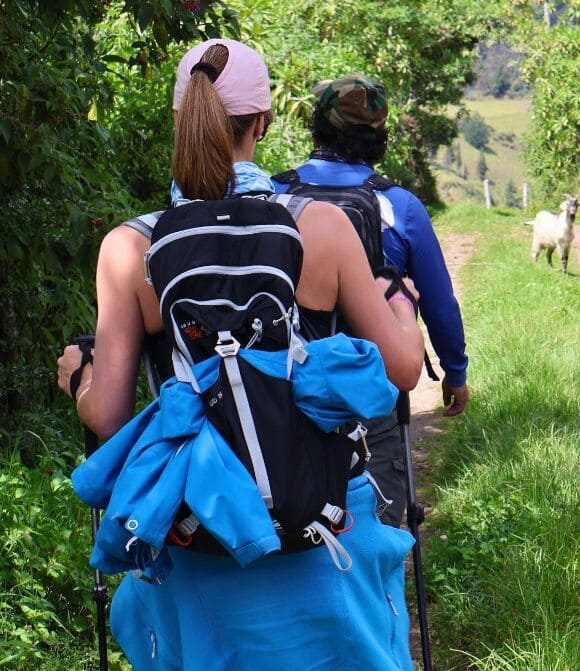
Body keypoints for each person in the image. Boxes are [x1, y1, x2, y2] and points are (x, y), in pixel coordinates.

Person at [56, 39, 425, 670]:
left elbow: (111, 413)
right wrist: (401, 306)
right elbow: (400, 372)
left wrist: (78, 377)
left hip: (203, 536)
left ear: (181, 119)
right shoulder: (321, 227)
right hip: (325, 529)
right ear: (262, 123)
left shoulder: (129, 248)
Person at [272, 73, 469, 527]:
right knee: (376, 541)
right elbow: (440, 305)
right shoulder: (399, 207)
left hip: (286, 395)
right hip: (371, 401)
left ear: (317, 127)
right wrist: (454, 373)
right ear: (380, 137)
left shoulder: (275, 195)